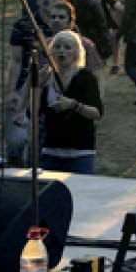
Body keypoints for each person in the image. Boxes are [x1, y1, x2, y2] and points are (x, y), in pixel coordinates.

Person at [38, 31, 103, 175]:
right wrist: (36, 86)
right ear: (51, 52)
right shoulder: (48, 78)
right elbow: (33, 112)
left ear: (76, 52)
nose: (62, 51)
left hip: (80, 153)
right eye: (58, 47)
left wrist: (74, 105)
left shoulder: (85, 77)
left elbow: (97, 113)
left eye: (67, 47)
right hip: (51, 151)